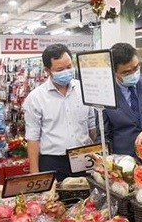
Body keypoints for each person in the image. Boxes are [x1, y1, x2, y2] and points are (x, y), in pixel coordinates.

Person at [23, 44, 96, 181]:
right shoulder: (36, 98)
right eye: (60, 69)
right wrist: (35, 174)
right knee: (56, 200)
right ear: (47, 70)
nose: (67, 72)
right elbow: (33, 138)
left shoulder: (84, 89)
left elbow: (92, 126)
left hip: (83, 158)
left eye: (69, 67)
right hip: (53, 161)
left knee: (88, 199)